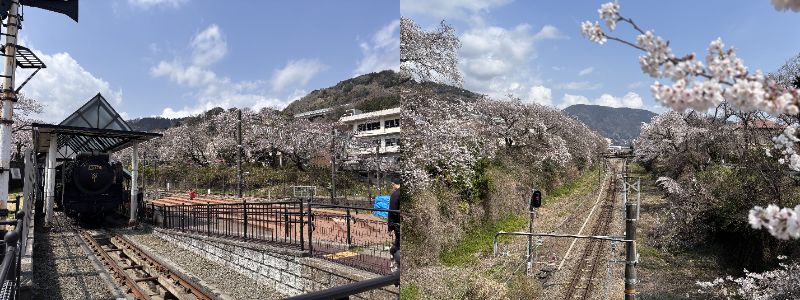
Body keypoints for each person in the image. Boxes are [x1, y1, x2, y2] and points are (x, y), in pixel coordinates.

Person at [388, 175, 401, 271]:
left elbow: (392, 212)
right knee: (398, 243)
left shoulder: (395, 194)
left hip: (397, 224)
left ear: (393, 184)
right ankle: (395, 262)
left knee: (398, 244)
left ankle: (394, 262)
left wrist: (390, 226)